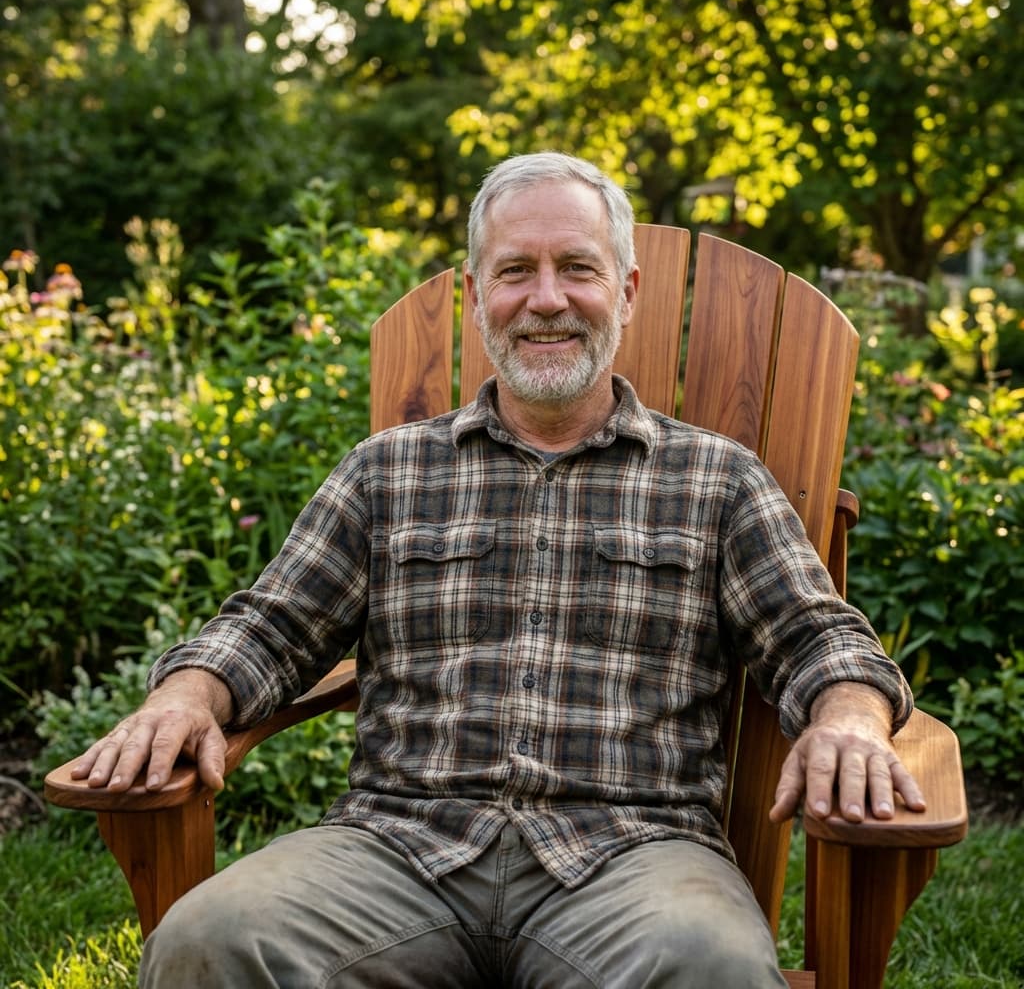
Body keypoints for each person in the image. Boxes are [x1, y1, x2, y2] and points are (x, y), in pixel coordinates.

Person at [72, 152, 925, 988]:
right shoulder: (387, 472)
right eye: (515, 271)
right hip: (398, 849)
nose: (546, 299)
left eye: (577, 269)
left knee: (713, 967)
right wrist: (185, 697)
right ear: (478, 298)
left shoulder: (716, 479)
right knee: (209, 942)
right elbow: (271, 626)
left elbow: (818, 638)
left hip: (634, 862)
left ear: (627, 292)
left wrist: (849, 720)